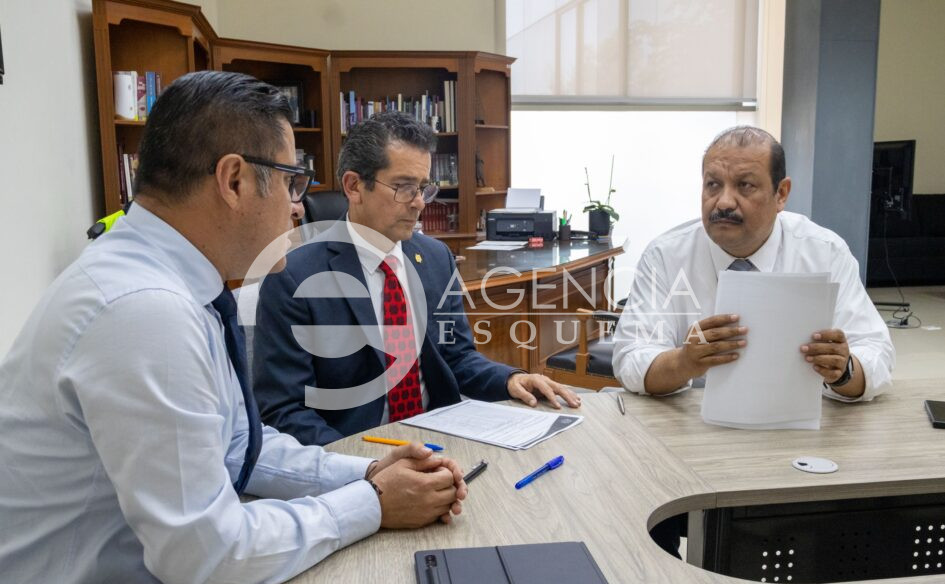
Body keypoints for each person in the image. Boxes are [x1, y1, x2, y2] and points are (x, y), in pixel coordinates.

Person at [0, 71, 467, 584]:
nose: (299, 208)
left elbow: (240, 449)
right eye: (292, 182)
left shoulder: (170, 284)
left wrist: (368, 472)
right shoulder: (144, 310)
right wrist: (373, 503)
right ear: (235, 180)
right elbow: (207, 556)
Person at [252, 111, 580, 446]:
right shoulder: (294, 277)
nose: (420, 203)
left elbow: (458, 357)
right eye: (405, 187)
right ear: (354, 186)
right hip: (357, 453)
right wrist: (364, 465)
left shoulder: (435, 258)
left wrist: (510, 379)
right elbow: (283, 409)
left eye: (423, 188)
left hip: (442, 441)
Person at [612, 126, 894, 401]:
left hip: (798, 419)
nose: (724, 202)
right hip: (690, 421)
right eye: (713, 185)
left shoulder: (825, 253)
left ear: (781, 194)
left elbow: (877, 355)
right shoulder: (665, 256)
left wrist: (843, 371)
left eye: (744, 185)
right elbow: (630, 359)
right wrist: (683, 362)